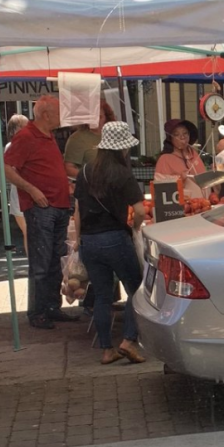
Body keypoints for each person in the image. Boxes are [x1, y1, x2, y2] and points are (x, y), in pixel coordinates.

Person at [72, 122, 146, 366]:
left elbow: (78, 211)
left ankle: (106, 350)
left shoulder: (84, 171)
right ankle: (128, 340)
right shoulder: (122, 173)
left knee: (102, 296)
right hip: (115, 238)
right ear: (122, 148)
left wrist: (78, 241)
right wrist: (135, 228)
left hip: (90, 242)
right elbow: (139, 211)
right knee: (136, 289)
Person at [3, 95, 77, 330]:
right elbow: (6, 168)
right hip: (41, 207)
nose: (61, 117)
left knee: (56, 259)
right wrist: (32, 189)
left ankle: (51, 307)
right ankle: (37, 311)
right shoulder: (26, 136)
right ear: (46, 114)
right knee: (42, 261)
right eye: (58, 112)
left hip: (58, 204)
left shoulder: (48, 135)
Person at [64, 101, 116, 179]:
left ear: (106, 118)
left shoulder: (114, 135)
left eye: (99, 117)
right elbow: (68, 168)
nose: (95, 121)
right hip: (91, 185)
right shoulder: (77, 139)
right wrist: (90, 176)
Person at [154, 118, 206, 197]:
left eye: (185, 133)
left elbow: (205, 180)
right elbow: (160, 188)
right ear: (170, 138)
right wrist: (180, 179)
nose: (182, 137)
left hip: (205, 205)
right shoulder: (165, 159)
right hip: (182, 207)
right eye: (176, 134)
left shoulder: (194, 154)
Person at [5, 113, 30, 255]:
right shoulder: (12, 146)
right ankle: (33, 267)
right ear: (17, 129)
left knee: (31, 233)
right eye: (26, 126)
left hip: (28, 196)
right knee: (28, 232)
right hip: (20, 196)